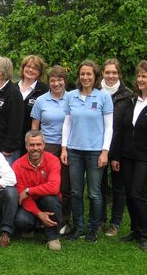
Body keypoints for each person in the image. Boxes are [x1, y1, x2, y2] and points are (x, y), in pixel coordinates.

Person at [111, 60, 147, 250]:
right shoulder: (133, 100)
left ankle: (145, 235)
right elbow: (121, 130)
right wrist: (116, 156)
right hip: (127, 156)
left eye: (144, 76)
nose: (140, 79)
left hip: (146, 158)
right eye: (139, 76)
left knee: (137, 193)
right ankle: (135, 231)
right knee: (129, 194)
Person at [61, 60, 113, 243]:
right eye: (82, 74)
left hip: (95, 152)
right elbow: (67, 123)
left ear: (95, 76)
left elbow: (109, 127)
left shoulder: (103, 97)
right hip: (74, 151)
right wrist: (64, 148)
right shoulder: (71, 96)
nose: (85, 77)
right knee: (75, 192)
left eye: (89, 74)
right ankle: (78, 227)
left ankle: (92, 229)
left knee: (94, 193)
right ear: (78, 76)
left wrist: (105, 151)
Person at [30, 65, 71, 235]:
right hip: (46, 147)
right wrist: (36, 147)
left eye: (59, 80)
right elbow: (34, 126)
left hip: (67, 146)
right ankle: (41, 219)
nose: (56, 83)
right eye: (53, 80)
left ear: (65, 81)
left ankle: (64, 221)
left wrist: (66, 147)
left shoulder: (72, 98)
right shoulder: (41, 100)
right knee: (42, 184)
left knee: (66, 185)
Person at [99, 59, 133, 237]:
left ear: (119, 74)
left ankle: (115, 223)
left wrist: (117, 156)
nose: (111, 76)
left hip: (118, 150)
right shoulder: (95, 92)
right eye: (107, 72)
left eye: (114, 73)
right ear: (103, 73)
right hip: (98, 147)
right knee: (100, 186)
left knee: (119, 187)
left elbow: (126, 129)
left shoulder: (127, 96)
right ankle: (101, 220)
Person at [13, 130, 62, 251]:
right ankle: (34, 226)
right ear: (26, 146)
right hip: (29, 204)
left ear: (44, 145)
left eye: (38, 144)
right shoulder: (17, 165)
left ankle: (53, 238)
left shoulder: (53, 160)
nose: (35, 148)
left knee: (50, 199)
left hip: (48, 201)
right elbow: (21, 196)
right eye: (31, 145)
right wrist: (39, 214)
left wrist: (29, 190)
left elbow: (54, 188)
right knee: (22, 221)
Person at [0, 56, 24, 166]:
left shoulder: (13, 93)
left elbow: (16, 123)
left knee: (5, 182)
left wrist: (8, 147)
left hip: (5, 151)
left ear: (0, 73)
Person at [16, 55, 49, 155]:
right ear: (23, 68)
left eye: (35, 68)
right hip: (13, 139)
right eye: (28, 66)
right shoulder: (12, 88)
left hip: (33, 141)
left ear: (40, 72)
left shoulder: (44, 90)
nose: (30, 70)